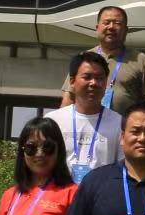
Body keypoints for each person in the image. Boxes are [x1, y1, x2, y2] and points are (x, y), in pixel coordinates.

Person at [58, 5, 145, 114]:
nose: (111, 27)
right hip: (86, 123)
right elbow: (69, 97)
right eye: (106, 22)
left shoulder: (141, 60)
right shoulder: (83, 59)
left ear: (126, 30)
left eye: (117, 23)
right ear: (97, 27)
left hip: (122, 124)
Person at [46, 52, 120, 184]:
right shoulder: (53, 121)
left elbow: (122, 168)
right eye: (87, 77)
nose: (93, 83)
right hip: (60, 192)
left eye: (100, 78)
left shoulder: (119, 123)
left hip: (100, 194)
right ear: (72, 82)